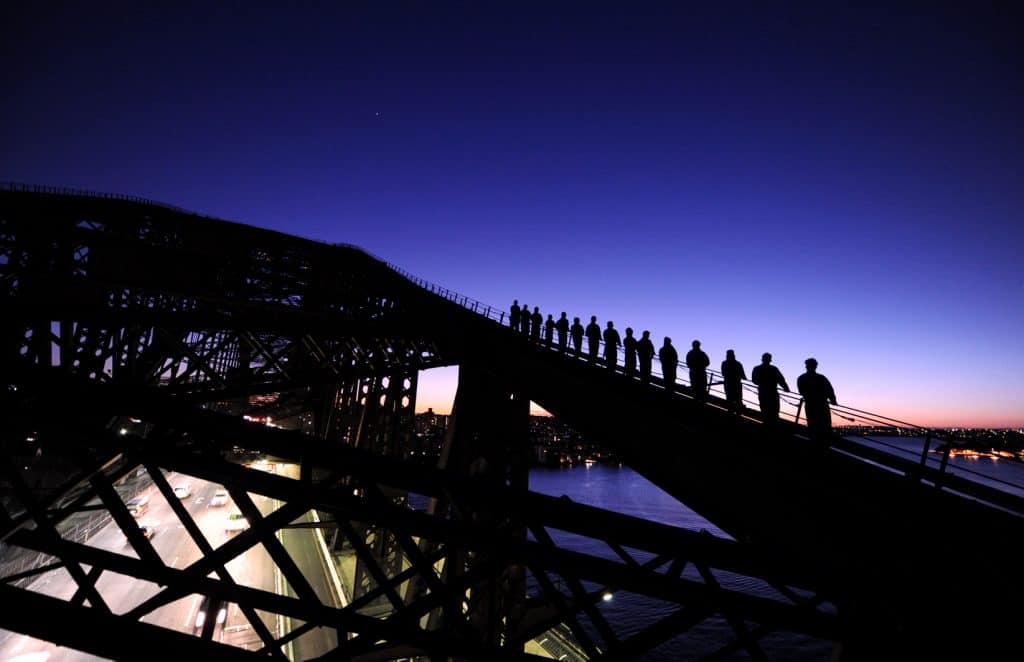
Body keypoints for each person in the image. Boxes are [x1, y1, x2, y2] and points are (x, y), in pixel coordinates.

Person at [798, 358, 837, 443]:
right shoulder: (821, 378)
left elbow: (801, 391)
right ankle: (825, 443)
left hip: (810, 404)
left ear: (806, 366)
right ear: (815, 366)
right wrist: (833, 400)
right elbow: (830, 390)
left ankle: (814, 442)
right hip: (822, 405)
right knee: (825, 425)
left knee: (812, 424)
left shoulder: (801, 378)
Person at [751, 352, 789, 422]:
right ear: (770, 360)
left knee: (764, 410)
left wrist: (762, 382)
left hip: (763, 392)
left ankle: (766, 425)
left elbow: (754, 381)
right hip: (773, 393)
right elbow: (781, 380)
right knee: (775, 411)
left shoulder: (757, 368)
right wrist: (786, 388)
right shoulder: (774, 369)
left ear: (762, 359)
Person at [721, 349, 747, 414]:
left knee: (729, 398)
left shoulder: (724, 363)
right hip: (737, 383)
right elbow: (743, 375)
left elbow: (723, 373)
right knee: (738, 398)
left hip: (728, 383)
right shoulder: (738, 364)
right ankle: (739, 412)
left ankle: (730, 411)